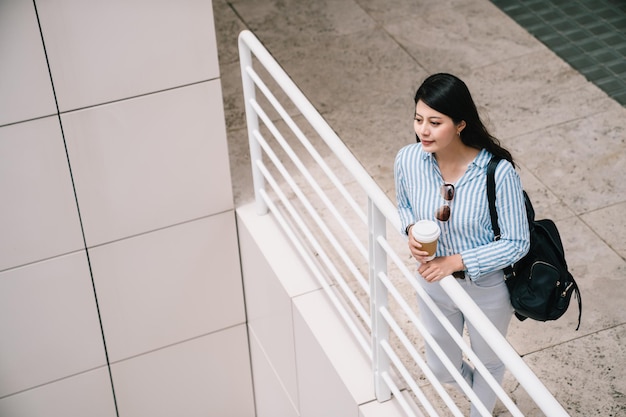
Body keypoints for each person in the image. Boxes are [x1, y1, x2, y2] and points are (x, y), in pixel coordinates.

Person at [394, 73, 530, 416]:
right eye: (418, 119)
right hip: (434, 282)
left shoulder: (497, 172)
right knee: (441, 367)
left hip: (485, 287)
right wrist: (410, 229)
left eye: (435, 122)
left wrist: (455, 261)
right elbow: (404, 205)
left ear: (460, 124)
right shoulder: (408, 160)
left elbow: (517, 242)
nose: (423, 130)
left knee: (488, 363)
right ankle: (481, 398)